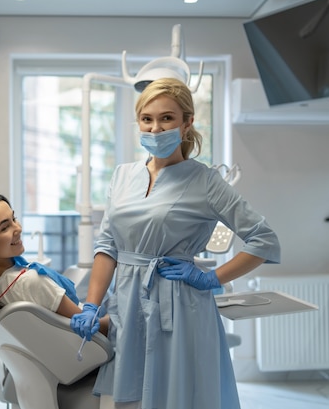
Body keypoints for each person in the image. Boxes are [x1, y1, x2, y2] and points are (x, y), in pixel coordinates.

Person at [70, 77, 280, 409]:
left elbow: (263, 239)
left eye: (167, 118)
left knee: (179, 397)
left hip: (179, 306)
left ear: (187, 123)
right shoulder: (122, 176)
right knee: (128, 397)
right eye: (147, 119)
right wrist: (91, 305)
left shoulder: (206, 181)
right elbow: (108, 245)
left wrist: (211, 278)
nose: (155, 129)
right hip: (126, 304)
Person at [0, 191, 108, 335]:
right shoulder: (31, 282)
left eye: (14, 218)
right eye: (5, 227)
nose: (18, 228)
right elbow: (99, 330)